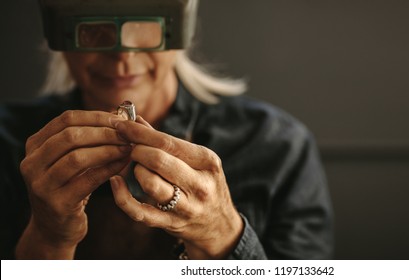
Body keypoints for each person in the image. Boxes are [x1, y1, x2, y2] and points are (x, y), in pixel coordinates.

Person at [0, 0, 333, 259]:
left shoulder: (277, 146)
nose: (122, 55)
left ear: (179, 29)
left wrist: (221, 233)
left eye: (146, 24)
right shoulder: (7, 142)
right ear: (62, 34)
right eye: (93, 26)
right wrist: (48, 237)